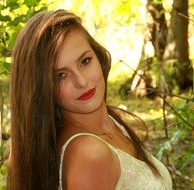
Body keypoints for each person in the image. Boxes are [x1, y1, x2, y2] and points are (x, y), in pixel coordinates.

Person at [9, 9, 172, 190]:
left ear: (98, 56)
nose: (82, 81)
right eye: (61, 75)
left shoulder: (110, 123)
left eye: (85, 61)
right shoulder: (89, 155)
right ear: (43, 88)